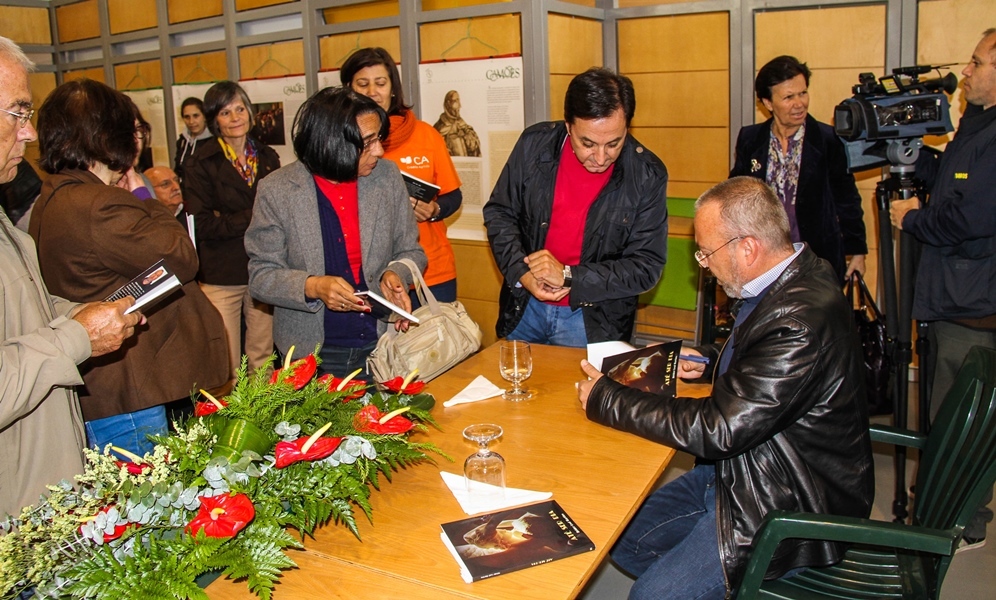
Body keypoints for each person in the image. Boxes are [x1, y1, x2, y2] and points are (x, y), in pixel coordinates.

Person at [577, 176, 874, 599]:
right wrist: (715, 361)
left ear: (748, 247)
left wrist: (607, 397)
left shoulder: (798, 321)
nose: (703, 263)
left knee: (651, 596)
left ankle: (739, 580)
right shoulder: (798, 273)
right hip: (749, 469)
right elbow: (774, 369)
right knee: (622, 539)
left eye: (706, 251)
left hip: (785, 501)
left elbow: (721, 429)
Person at [29, 78, 228, 457]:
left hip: (113, 389)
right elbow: (181, 258)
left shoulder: (56, 195)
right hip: (131, 393)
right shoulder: (98, 204)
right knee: (149, 506)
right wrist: (143, 195)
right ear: (108, 136)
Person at [0, 36, 143, 516]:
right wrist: (76, 337)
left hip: (39, 480)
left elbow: (21, 315)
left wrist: (75, 314)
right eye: (18, 114)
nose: (29, 135)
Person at [890, 27, 996, 552]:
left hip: (974, 309)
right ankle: (941, 512)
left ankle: (962, 523)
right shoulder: (977, 129)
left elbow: (971, 215)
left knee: (965, 427)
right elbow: (955, 179)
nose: (967, 71)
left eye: (977, 63)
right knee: (945, 419)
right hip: (953, 300)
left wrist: (913, 219)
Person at [246, 87, 425, 381]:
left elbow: (411, 251)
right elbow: (261, 277)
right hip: (312, 354)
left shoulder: (386, 176)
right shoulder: (278, 190)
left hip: (384, 342)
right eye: (367, 142)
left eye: (379, 138)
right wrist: (312, 286)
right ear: (331, 143)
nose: (379, 150)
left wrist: (395, 274)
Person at [483, 67, 669, 347]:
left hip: (592, 320)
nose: (600, 157)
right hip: (525, 307)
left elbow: (646, 267)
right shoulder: (535, 145)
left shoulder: (646, 174)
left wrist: (570, 276)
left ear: (628, 127)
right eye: (588, 143)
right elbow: (500, 213)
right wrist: (521, 273)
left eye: (614, 143)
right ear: (568, 126)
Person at [341, 47, 463, 304]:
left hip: (430, 271)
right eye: (362, 84)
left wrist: (434, 210)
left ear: (392, 88)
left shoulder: (425, 134)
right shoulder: (339, 141)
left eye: (380, 83)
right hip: (368, 274)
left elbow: (454, 195)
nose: (372, 91)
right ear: (348, 89)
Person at [730, 55, 867, 282]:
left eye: (803, 93)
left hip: (816, 257)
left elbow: (847, 198)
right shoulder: (751, 139)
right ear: (768, 103)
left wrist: (857, 251)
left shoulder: (828, 140)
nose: (799, 103)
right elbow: (736, 194)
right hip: (764, 259)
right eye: (788, 97)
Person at [183, 81, 280, 382]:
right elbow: (201, 224)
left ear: (251, 113)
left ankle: (265, 420)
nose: (235, 117)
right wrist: (253, 216)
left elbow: (278, 214)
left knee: (262, 357)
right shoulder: (200, 162)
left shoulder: (267, 157)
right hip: (220, 272)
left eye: (240, 109)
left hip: (261, 268)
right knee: (224, 361)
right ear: (215, 120)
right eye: (226, 112)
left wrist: (227, 217)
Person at [433, 90, 481, 157]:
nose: (459, 105)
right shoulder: (439, 127)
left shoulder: (462, 124)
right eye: (456, 101)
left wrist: (467, 136)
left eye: (459, 100)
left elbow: (475, 149)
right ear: (448, 103)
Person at [174, 96, 211, 179]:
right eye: (187, 117)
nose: (191, 121)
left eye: (196, 116)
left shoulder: (214, 142)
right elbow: (178, 169)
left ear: (204, 116)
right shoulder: (182, 141)